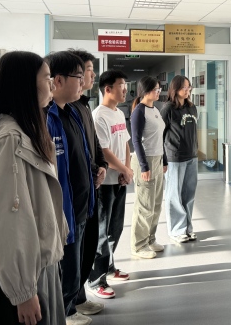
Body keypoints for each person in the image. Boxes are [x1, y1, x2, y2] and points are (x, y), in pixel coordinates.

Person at [0, 51, 67, 325]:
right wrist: (23, 291)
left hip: (37, 267)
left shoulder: (26, 132)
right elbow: (10, 221)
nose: (52, 84)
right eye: (47, 78)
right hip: (24, 279)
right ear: (26, 85)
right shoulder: (10, 141)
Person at [45, 52, 95, 325]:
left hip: (81, 206)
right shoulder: (47, 118)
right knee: (67, 272)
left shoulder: (72, 112)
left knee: (77, 269)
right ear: (58, 80)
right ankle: (63, 315)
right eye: (79, 76)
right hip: (64, 213)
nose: (83, 82)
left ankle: (71, 307)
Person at [66, 50, 111, 309]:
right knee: (73, 255)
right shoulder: (63, 110)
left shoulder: (84, 105)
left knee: (87, 248)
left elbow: (92, 143)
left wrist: (101, 165)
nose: (92, 76)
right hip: (75, 195)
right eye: (88, 70)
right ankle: (70, 306)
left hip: (90, 190)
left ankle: (79, 298)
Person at [88, 70, 134, 292]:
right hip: (105, 184)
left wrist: (127, 169)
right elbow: (104, 152)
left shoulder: (118, 113)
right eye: (121, 85)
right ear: (107, 89)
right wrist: (124, 169)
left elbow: (124, 142)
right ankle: (96, 280)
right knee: (101, 232)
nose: (125, 89)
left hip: (119, 180)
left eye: (125, 85)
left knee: (115, 228)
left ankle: (108, 267)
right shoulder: (99, 116)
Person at [129, 76, 167, 259]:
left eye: (159, 89)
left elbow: (160, 137)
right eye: (155, 89)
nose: (158, 92)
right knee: (144, 205)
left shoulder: (155, 109)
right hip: (145, 161)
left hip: (157, 160)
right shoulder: (139, 111)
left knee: (156, 204)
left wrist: (164, 160)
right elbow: (136, 140)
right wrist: (144, 167)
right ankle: (138, 245)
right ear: (145, 91)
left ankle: (150, 239)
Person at [161, 75, 199, 243]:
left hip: (192, 156)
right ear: (175, 89)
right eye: (184, 87)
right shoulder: (168, 109)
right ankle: (176, 230)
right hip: (174, 158)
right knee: (174, 195)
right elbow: (160, 135)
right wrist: (163, 160)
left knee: (188, 195)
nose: (187, 90)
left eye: (189, 87)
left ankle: (187, 228)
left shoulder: (192, 108)